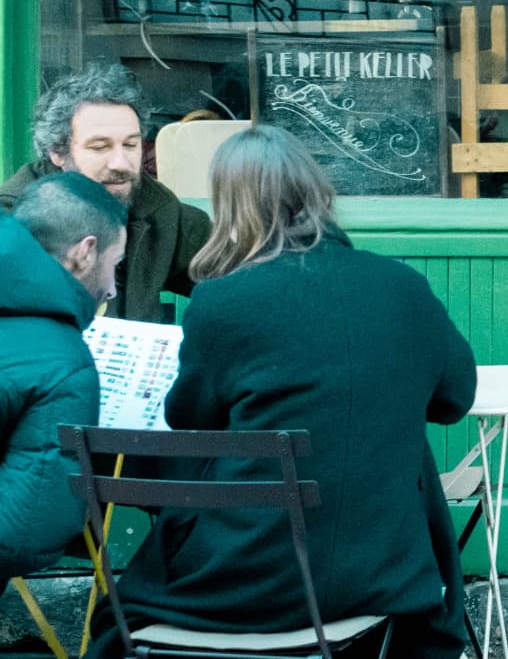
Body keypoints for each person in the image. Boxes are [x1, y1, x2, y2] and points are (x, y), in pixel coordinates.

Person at [93, 127, 476, 657]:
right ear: (319, 193)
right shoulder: (402, 286)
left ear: (232, 206)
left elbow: (189, 417)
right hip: (384, 572)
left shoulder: (222, 301)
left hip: (243, 579)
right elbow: (456, 399)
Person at [0, 64, 211, 323]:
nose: (120, 163)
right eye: (100, 147)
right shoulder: (11, 222)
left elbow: (234, 277)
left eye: (131, 145)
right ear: (57, 151)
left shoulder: (158, 209)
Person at [0, 174, 127, 582]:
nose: (110, 288)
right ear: (85, 253)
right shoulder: (64, 363)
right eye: (115, 266)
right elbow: (24, 535)